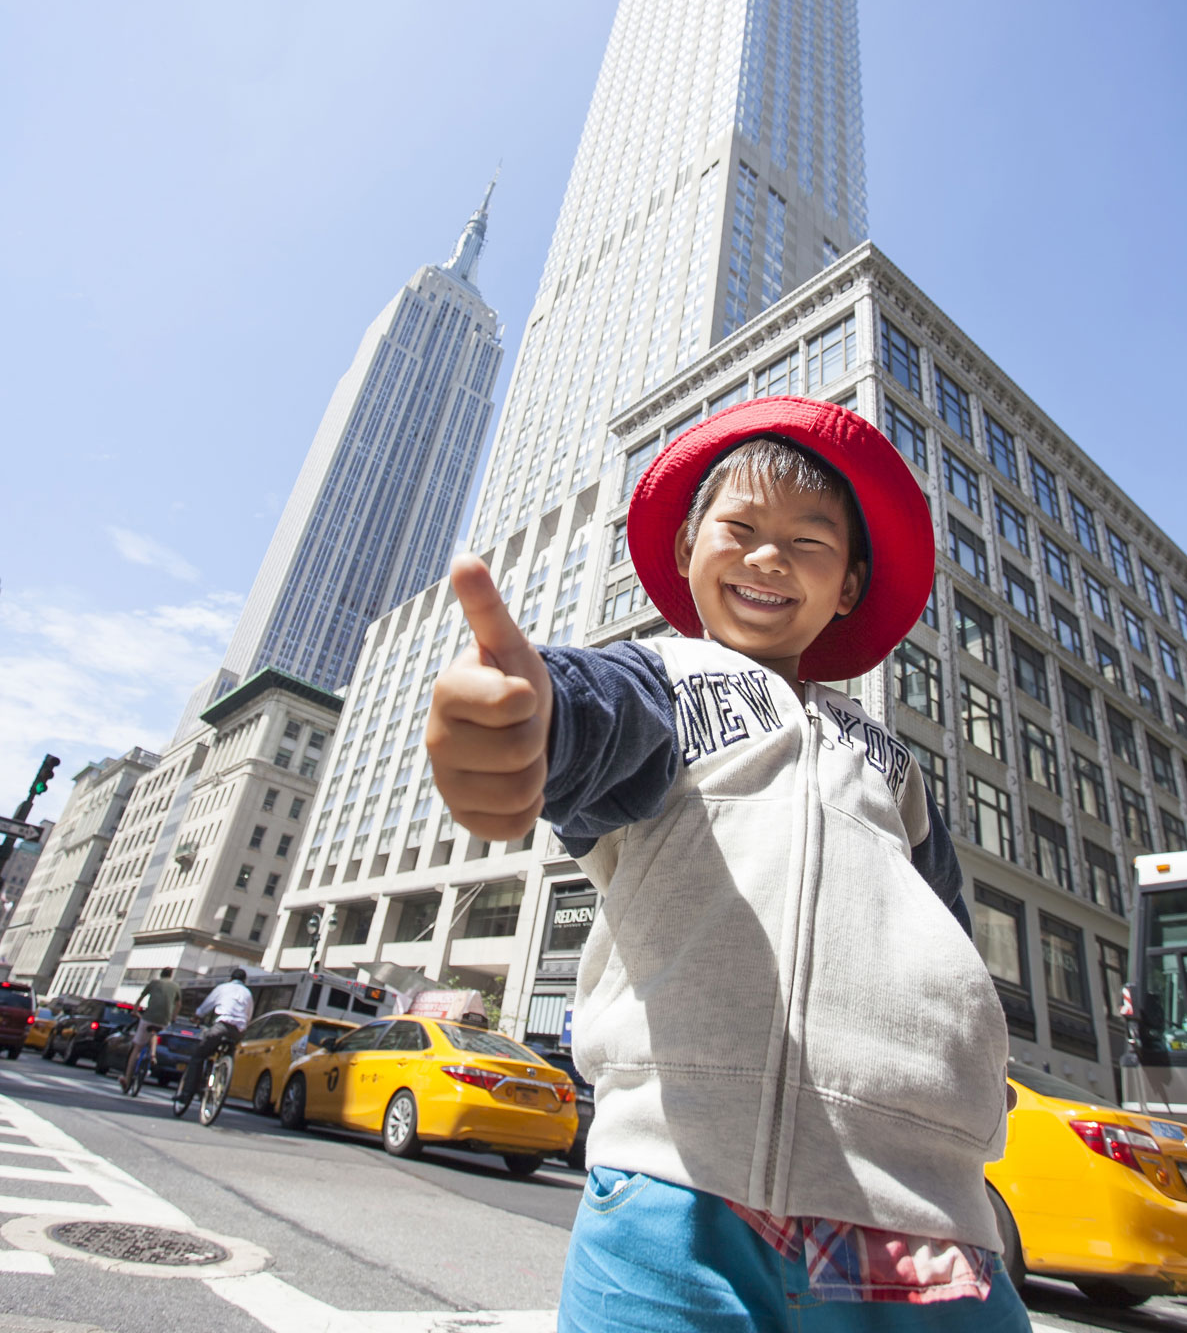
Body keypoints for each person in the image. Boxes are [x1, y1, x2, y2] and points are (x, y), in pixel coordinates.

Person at [427, 396, 1032, 1331]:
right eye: (741, 529)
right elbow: (586, 712)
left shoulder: (892, 763)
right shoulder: (658, 679)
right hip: (680, 1194)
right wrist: (527, 719)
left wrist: (974, 1048)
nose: (768, 556)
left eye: (808, 542)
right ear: (685, 551)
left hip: (924, 1208)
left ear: (849, 587)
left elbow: (945, 923)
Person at [173, 968, 253, 1109]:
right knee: (229, 1052)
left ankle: (186, 1095)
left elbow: (207, 1005)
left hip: (222, 1025)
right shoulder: (248, 993)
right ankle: (222, 1075)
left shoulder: (223, 988)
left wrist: (197, 1016)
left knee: (198, 1056)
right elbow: (248, 1015)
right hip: (239, 1031)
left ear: (231, 978)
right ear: (244, 981)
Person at [120, 965, 181, 1091]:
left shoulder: (154, 983)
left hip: (148, 1017)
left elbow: (141, 997)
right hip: (164, 1020)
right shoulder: (176, 987)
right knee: (156, 1032)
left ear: (161, 974)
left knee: (137, 1048)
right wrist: (173, 1017)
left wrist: (135, 1011)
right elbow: (178, 1004)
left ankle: (127, 1078)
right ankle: (153, 1055)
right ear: (171, 975)